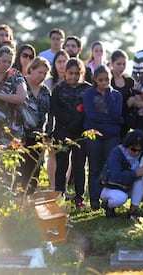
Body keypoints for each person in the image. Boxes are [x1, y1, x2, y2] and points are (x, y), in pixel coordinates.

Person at [50, 58, 91, 208]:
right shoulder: (58, 89)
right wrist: (68, 122)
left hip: (80, 132)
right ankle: (60, 194)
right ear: (65, 73)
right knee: (62, 165)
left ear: (82, 73)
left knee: (79, 166)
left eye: (77, 73)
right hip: (62, 130)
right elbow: (54, 109)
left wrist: (76, 122)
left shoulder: (87, 89)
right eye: (70, 73)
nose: (73, 77)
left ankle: (79, 197)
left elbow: (88, 110)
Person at [83, 65, 123, 210]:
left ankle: (106, 199)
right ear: (95, 80)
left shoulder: (116, 95)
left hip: (111, 136)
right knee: (94, 167)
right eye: (100, 80)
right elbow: (90, 115)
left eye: (107, 79)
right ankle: (94, 199)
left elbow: (116, 113)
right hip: (94, 134)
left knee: (108, 167)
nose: (104, 82)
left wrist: (107, 95)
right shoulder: (89, 94)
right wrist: (110, 120)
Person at [19, 57, 52, 194]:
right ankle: (17, 198)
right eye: (40, 72)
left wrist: (48, 134)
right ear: (31, 69)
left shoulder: (45, 91)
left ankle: (29, 198)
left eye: (45, 74)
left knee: (35, 169)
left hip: (39, 136)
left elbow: (51, 114)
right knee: (21, 168)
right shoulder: (21, 84)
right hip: (21, 135)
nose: (42, 76)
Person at [100, 129, 143, 218]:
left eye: (140, 150)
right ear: (127, 145)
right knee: (120, 198)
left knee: (141, 181)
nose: (137, 152)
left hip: (129, 186)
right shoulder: (116, 153)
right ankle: (107, 205)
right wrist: (135, 174)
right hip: (112, 186)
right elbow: (116, 176)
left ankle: (132, 211)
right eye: (133, 149)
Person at [0, 46, 27, 143]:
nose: (6, 65)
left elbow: (21, 97)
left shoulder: (15, 75)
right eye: (4, 61)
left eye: (9, 62)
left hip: (12, 129)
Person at [43, 50, 69, 190]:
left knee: (66, 155)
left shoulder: (72, 81)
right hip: (51, 122)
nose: (62, 64)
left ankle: (63, 186)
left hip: (67, 123)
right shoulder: (48, 81)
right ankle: (53, 186)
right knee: (52, 154)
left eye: (64, 61)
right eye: (59, 61)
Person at [110, 49, 139, 138]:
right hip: (112, 122)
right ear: (112, 64)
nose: (121, 67)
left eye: (124, 64)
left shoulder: (129, 82)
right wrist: (127, 104)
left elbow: (137, 99)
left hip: (127, 123)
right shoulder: (108, 82)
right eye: (119, 64)